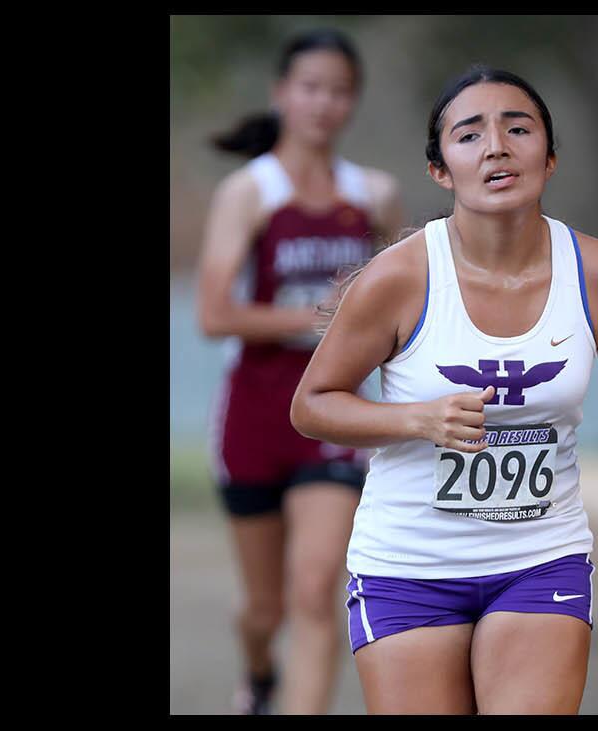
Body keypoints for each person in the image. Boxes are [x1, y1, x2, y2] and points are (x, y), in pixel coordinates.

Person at [289, 65, 598, 714]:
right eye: (470, 135)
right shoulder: (399, 278)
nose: (496, 145)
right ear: (441, 171)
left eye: (517, 128)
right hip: (409, 563)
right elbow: (312, 406)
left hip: (540, 556)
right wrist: (418, 418)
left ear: (549, 158)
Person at [196, 28, 403, 715]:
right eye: (311, 87)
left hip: (335, 410)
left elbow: (405, 299)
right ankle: (258, 673)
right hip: (254, 413)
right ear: (283, 93)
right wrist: (313, 316)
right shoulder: (249, 192)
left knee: (318, 586)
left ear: (353, 102)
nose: (324, 103)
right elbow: (214, 312)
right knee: (265, 606)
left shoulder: (373, 195)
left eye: (339, 91)